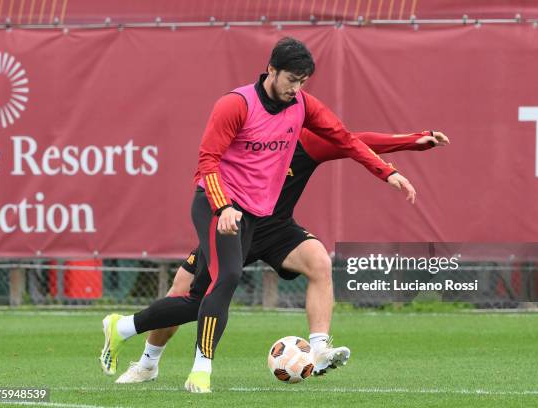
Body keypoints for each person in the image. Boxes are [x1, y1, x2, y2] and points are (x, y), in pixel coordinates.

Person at [101, 37, 438, 393]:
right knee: (223, 280)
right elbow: (208, 161)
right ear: (272, 70)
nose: (296, 88)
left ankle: (121, 328)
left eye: (303, 81)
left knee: (205, 297)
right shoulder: (236, 104)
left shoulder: (303, 108)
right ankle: (197, 369)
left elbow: (348, 139)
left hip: (266, 221)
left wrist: (389, 171)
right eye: (291, 79)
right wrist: (224, 205)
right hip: (219, 206)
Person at [110, 128, 449, 384]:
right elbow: (211, 169)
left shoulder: (306, 140)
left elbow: (354, 141)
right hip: (235, 224)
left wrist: (412, 140)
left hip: (277, 230)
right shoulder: (248, 138)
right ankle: (147, 364)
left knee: (319, 261)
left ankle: (317, 348)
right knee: (183, 297)